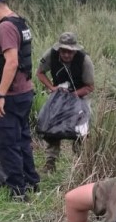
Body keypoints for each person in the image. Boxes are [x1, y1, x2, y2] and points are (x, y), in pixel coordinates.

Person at [0, 0, 39, 201]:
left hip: (11, 95)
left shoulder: (5, 27)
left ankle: (18, 192)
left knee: (7, 144)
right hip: (25, 91)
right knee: (22, 139)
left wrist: (0, 96)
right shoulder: (20, 22)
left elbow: (12, 62)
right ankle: (32, 183)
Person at [36, 31, 95, 173]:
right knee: (51, 126)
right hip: (59, 94)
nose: (67, 55)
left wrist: (73, 95)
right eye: (64, 51)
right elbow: (40, 72)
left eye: (70, 52)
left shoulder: (84, 60)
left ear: (75, 50)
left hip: (79, 95)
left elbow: (90, 87)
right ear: (59, 49)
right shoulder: (51, 55)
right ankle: (50, 162)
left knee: (81, 129)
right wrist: (52, 88)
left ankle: (81, 164)